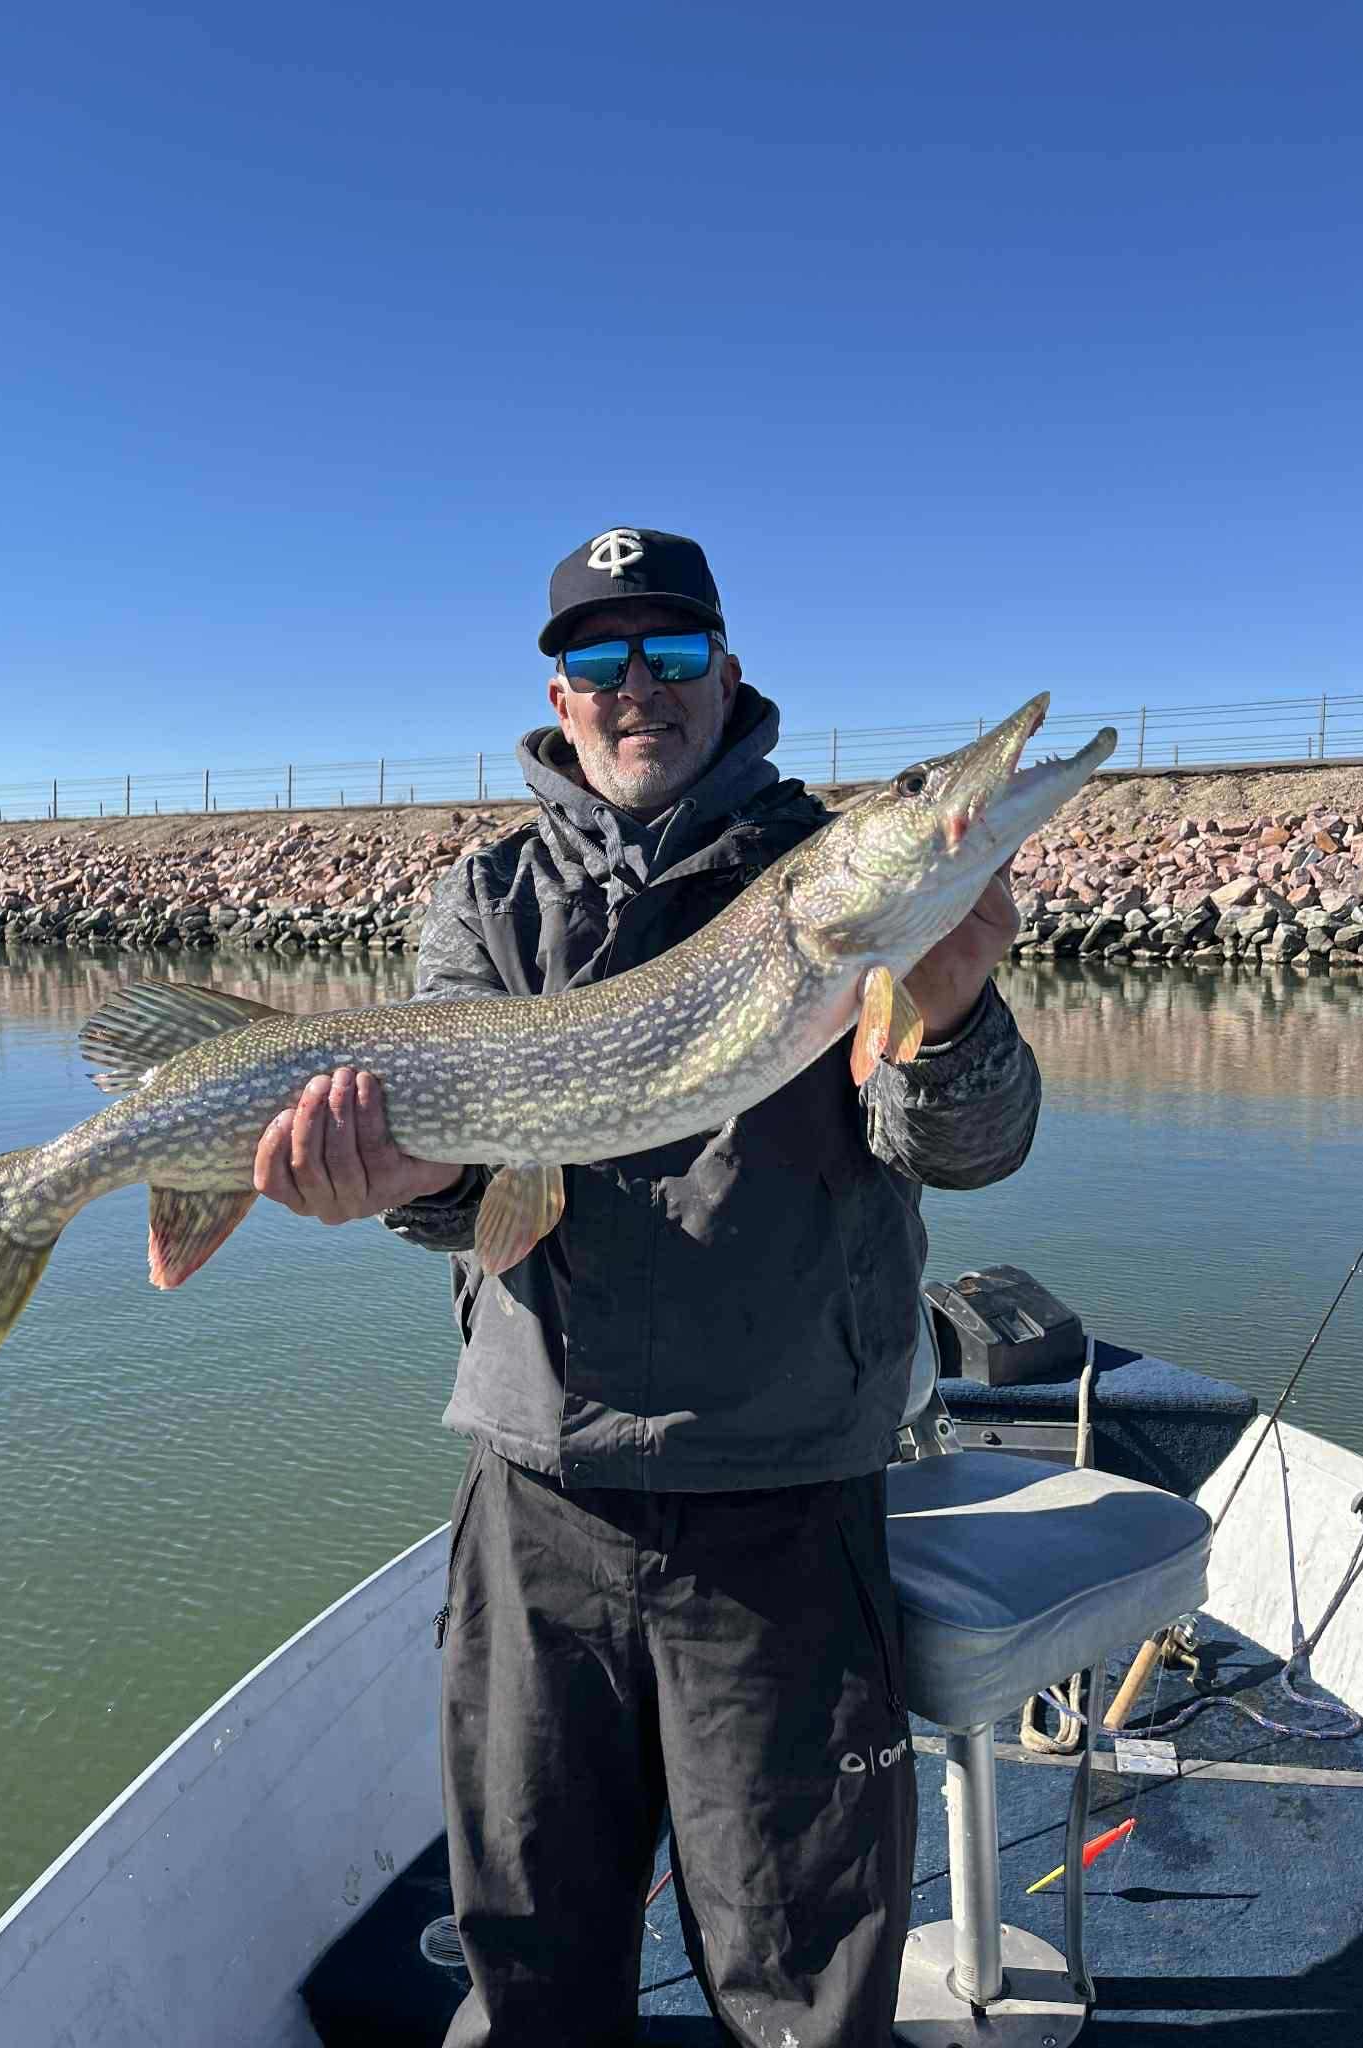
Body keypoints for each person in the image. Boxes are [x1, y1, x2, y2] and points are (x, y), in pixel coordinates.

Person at [254, 527, 1040, 2046]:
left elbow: (974, 1148)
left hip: (786, 1507)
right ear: (560, 692)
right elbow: (477, 1208)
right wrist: (395, 1184)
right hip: (538, 1506)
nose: (640, 691)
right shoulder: (487, 902)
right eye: (603, 661)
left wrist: (946, 1024)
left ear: (728, 674)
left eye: (672, 656)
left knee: (801, 2000)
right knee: (531, 1975)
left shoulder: (833, 887)